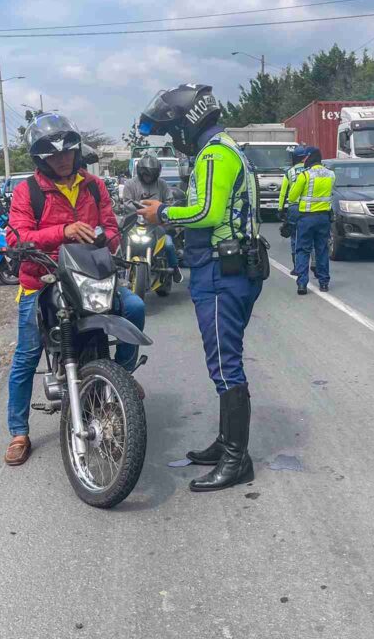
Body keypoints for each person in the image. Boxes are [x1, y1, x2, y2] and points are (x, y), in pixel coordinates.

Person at [135, 83, 265, 492]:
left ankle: (235, 459)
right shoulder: (226, 149)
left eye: (173, 132)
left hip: (222, 272)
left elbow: (207, 212)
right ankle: (226, 443)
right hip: (228, 269)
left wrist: (163, 212)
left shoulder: (214, 155)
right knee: (223, 359)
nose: (174, 141)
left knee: (226, 365)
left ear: (188, 123)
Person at [3, 113, 147, 467]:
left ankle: (120, 380)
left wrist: (106, 241)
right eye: (53, 155)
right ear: (41, 159)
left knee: (135, 308)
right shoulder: (28, 191)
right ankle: (19, 432)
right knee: (26, 355)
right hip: (42, 280)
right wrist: (63, 232)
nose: (63, 159)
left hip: (89, 277)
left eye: (67, 151)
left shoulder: (94, 186)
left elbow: (111, 228)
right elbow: (15, 237)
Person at [122, 154, 182, 282]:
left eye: (151, 174)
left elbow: (170, 201)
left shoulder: (162, 184)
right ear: (140, 172)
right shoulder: (130, 184)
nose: (148, 177)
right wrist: (141, 210)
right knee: (118, 241)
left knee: (169, 244)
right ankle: (120, 270)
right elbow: (126, 202)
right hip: (134, 224)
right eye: (146, 174)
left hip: (157, 225)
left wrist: (163, 212)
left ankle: (175, 268)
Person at [287, 147, 334, 295]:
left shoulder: (305, 175)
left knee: (303, 250)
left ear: (310, 157)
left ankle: (302, 284)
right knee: (322, 250)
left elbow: (292, 197)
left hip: (306, 218)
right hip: (324, 218)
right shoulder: (331, 174)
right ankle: (324, 283)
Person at [279, 144, 312, 275]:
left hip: (293, 208)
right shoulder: (310, 171)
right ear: (304, 157)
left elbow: (283, 192)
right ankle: (313, 263)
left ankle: (296, 267)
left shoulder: (290, 172)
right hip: (309, 208)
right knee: (310, 237)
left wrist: (280, 209)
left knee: (294, 237)